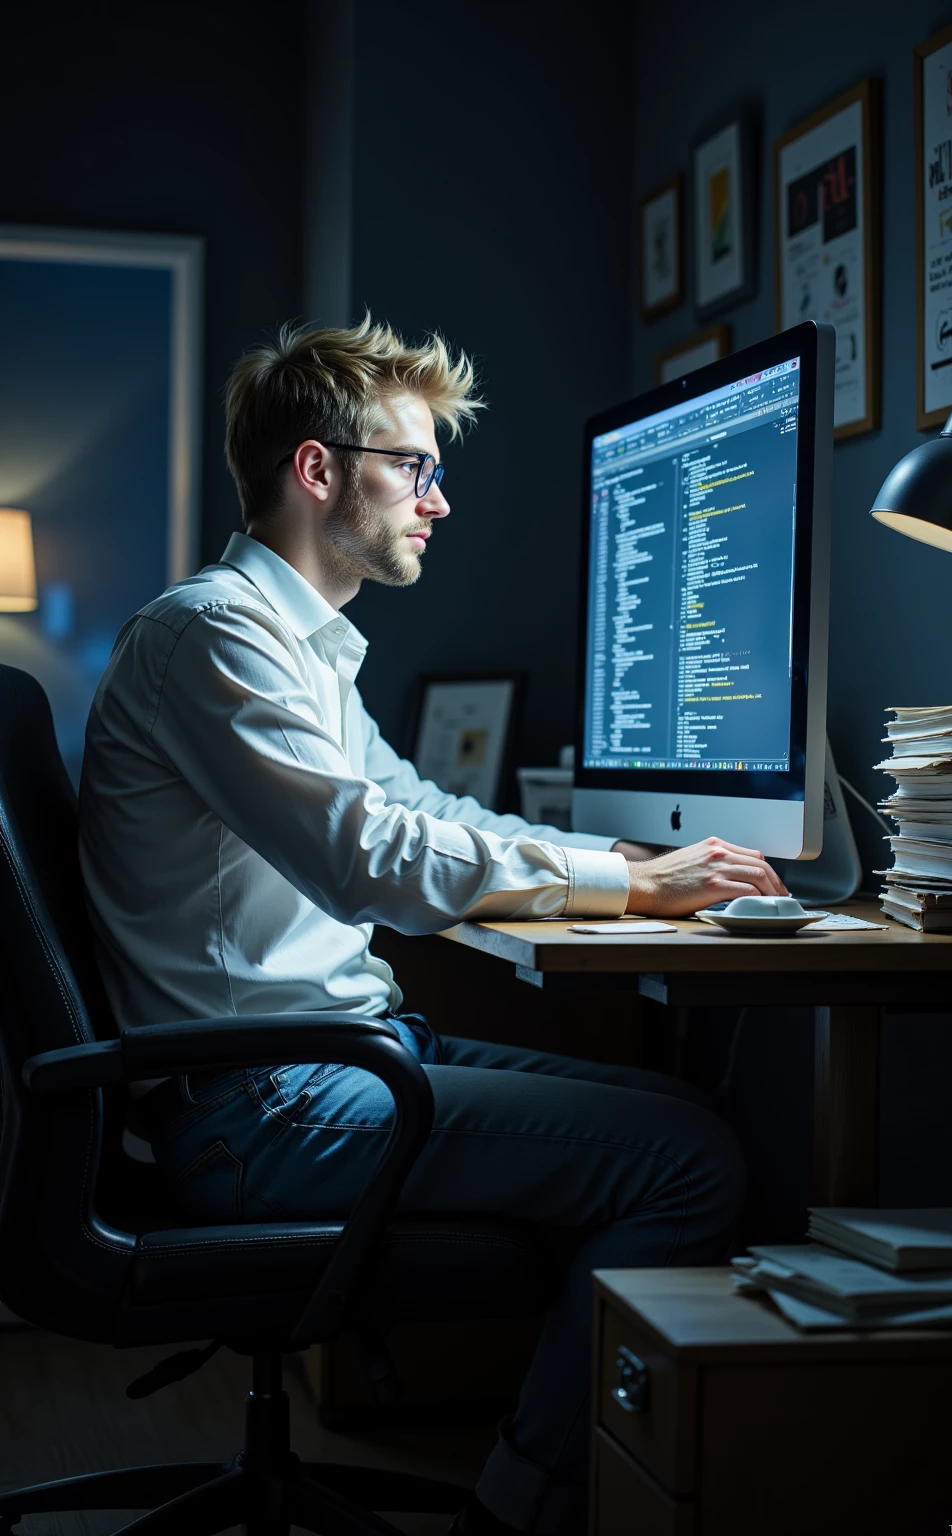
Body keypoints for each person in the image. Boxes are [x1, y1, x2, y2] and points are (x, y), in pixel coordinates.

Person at [79, 317, 787, 1536]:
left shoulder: (297, 646)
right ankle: (521, 1513)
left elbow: (410, 803)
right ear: (318, 470)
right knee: (693, 1164)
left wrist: (605, 858)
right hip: (265, 1107)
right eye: (415, 467)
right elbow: (369, 856)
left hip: (325, 1067)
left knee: (682, 1121)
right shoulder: (214, 635)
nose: (438, 503)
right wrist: (626, 890)